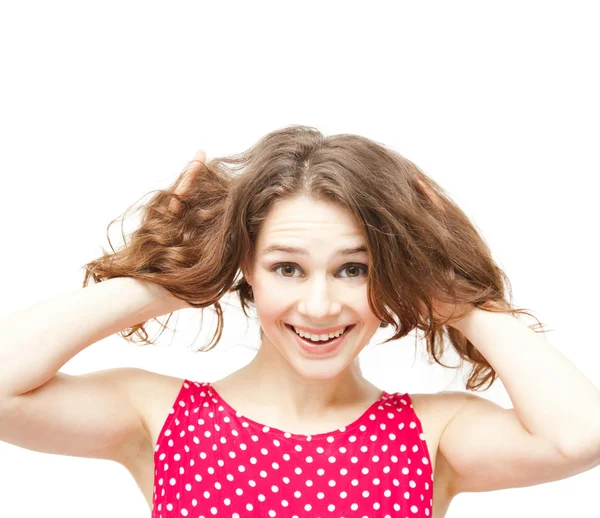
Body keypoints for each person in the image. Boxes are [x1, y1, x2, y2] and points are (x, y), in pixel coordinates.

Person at [1, 125, 598, 518]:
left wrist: (458, 297)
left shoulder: (432, 434)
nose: (319, 307)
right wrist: (167, 279)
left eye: (354, 270)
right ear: (246, 269)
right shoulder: (158, 419)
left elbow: (579, 437)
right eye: (287, 268)